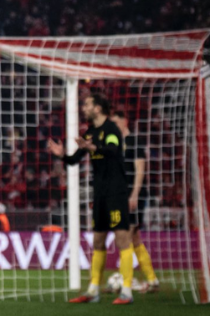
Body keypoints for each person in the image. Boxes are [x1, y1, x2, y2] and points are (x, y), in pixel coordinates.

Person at [49, 93, 134, 304]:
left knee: (122, 238)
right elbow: (74, 159)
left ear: (98, 108)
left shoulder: (111, 129)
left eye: (87, 105)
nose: (84, 108)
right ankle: (93, 290)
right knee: (98, 241)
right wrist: (62, 155)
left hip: (116, 192)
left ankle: (127, 291)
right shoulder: (90, 133)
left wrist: (92, 147)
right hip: (100, 193)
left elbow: (113, 150)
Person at [109, 110, 160, 293]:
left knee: (125, 236)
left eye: (116, 122)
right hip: (120, 196)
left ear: (125, 121)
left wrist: (135, 194)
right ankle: (152, 280)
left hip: (133, 196)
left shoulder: (134, 141)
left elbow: (140, 169)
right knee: (134, 237)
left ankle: (126, 282)